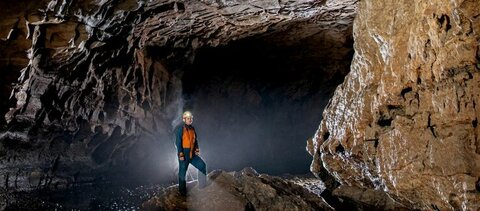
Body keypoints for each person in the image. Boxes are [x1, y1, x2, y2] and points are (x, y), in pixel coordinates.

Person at [174, 111, 207, 196]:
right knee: (182, 173)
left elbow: (195, 141)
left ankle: (203, 186)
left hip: (192, 154)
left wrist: (197, 149)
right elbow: (178, 142)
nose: (190, 120)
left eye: (191, 118)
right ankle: (182, 192)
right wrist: (180, 154)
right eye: (188, 118)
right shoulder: (180, 129)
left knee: (202, 165)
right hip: (184, 155)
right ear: (184, 119)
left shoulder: (192, 129)